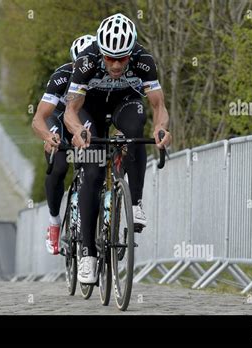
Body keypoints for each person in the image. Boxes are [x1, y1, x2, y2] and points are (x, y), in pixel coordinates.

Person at [64, 13, 173, 283]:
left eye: (122, 58)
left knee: (135, 134)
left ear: (131, 53)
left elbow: (158, 106)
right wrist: (78, 131)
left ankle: (134, 202)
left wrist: (161, 130)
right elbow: (70, 111)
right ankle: (88, 253)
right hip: (91, 109)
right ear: (100, 51)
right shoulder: (86, 61)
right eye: (110, 58)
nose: (115, 64)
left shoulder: (144, 60)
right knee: (93, 173)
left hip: (126, 102)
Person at [31, 34, 96, 255]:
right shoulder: (62, 75)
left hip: (82, 120)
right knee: (58, 165)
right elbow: (38, 118)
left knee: (95, 157)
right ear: (72, 63)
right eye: (79, 66)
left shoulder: (103, 76)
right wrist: (48, 137)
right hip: (57, 119)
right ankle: (54, 221)